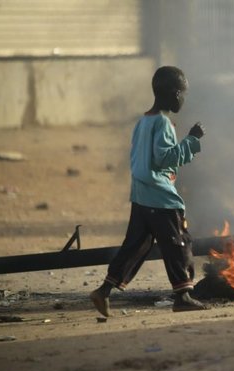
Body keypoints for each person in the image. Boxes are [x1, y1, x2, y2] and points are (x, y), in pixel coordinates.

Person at [90, 66, 208, 316]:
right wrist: (191, 140)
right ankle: (183, 295)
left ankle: (103, 291)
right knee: (179, 243)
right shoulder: (163, 123)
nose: (184, 100)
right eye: (184, 95)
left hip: (141, 195)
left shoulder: (143, 121)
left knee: (136, 246)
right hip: (160, 196)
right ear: (175, 94)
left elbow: (137, 157)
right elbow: (165, 158)